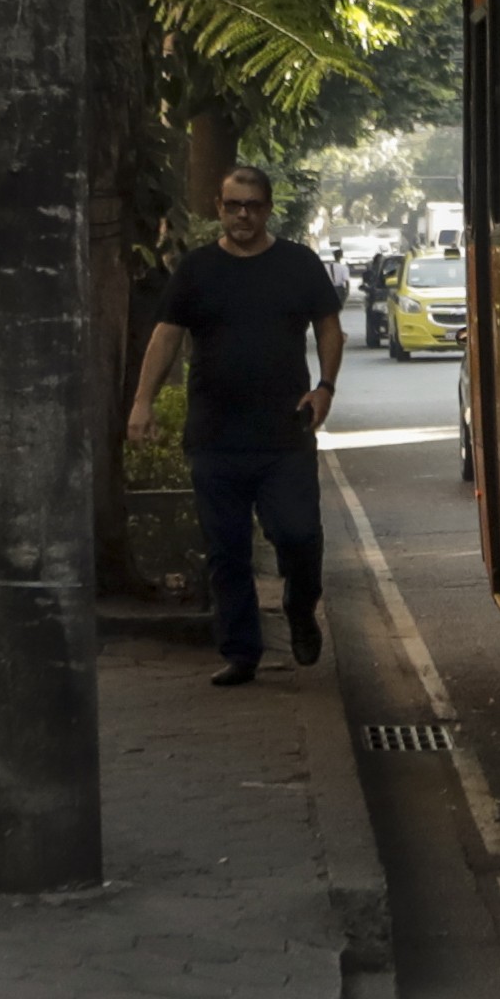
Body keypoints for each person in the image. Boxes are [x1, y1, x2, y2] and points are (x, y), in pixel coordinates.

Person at [126, 162, 342, 687]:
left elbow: (329, 328)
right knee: (226, 552)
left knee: (299, 534)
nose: (243, 214)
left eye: (253, 205)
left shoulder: (298, 263)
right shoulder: (197, 270)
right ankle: (241, 652)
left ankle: (299, 604)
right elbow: (166, 336)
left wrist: (325, 387)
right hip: (215, 437)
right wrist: (142, 403)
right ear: (219, 209)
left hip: (284, 434)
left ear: (267, 209)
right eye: (232, 205)